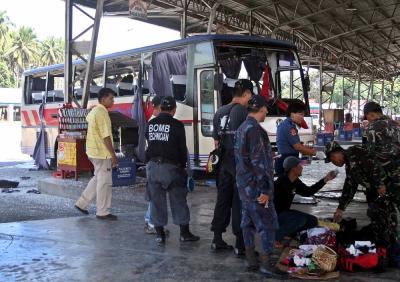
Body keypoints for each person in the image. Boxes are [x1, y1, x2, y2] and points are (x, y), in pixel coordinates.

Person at [234, 95, 281, 276]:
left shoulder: (242, 128)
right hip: (256, 186)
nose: (267, 112)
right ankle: (267, 263)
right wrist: (265, 189)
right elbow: (258, 161)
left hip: (243, 185)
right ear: (260, 109)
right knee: (266, 222)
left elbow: (243, 158)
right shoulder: (255, 130)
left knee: (247, 222)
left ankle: (251, 260)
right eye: (265, 109)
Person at [145, 96, 199, 245]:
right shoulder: (177, 125)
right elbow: (182, 148)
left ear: (160, 108)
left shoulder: (151, 124)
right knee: (179, 200)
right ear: (174, 110)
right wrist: (183, 168)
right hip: (171, 168)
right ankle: (184, 233)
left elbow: (149, 144)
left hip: (152, 167)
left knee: (156, 202)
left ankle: (160, 235)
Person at [325, 141, 398, 246]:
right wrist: (341, 208)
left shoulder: (355, 151)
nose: (333, 163)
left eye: (332, 160)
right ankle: (384, 243)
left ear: (335, 153)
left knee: (388, 216)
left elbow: (373, 164)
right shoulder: (349, 164)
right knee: (377, 216)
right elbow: (350, 185)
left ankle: (393, 244)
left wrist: (379, 184)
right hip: (378, 189)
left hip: (391, 183)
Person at [210, 79, 253, 255]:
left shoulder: (219, 112)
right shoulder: (243, 112)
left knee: (222, 200)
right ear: (247, 94)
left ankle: (217, 239)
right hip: (238, 160)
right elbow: (246, 140)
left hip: (222, 162)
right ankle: (240, 244)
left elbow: (216, 141)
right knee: (239, 201)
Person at [75, 88, 118, 220]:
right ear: (103, 99)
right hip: (102, 152)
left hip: (93, 151)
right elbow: (106, 136)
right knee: (104, 182)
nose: (113, 101)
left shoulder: (95, 111)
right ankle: (102, 212)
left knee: (98, 178)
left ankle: (82, 204)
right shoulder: (102, 113)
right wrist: (113, 155)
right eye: (111, 98)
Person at [274, 156, 337, 244]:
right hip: (275, 215)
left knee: (312, 220)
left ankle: (289, 232)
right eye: (300, 165)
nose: (302, 167)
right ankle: (275, 237)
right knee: (300, 220)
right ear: (294, 168)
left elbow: (308, 192)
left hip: (286, 212)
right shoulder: (280, 182)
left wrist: (325, 179)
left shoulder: (295, 182)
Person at [363, 101, 400, 210]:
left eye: (367, 117)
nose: (367, 120)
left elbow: (370, 155)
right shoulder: (395, 124)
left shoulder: (372, 127)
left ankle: (385, 225)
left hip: (383, 172)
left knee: (381, 204)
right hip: (397, 171)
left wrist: (377, 182)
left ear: (371, 114)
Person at [275, 101, 316, 176]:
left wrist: (307, 149)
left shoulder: (286, 125)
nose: (302, 118)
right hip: (287, 162)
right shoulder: (289, 127)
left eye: (303, 115)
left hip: (287, 160)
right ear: (292, 114)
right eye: (300, 114)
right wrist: (315, 153)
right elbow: (298, 147)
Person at [144, 95, 163, 234]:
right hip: (156, 163)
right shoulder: (155, 123)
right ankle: (152, 223)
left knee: (155, 193)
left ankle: (149, 220)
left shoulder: (152, 122)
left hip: (153, 163)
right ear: (157, 107)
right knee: (156, 194)